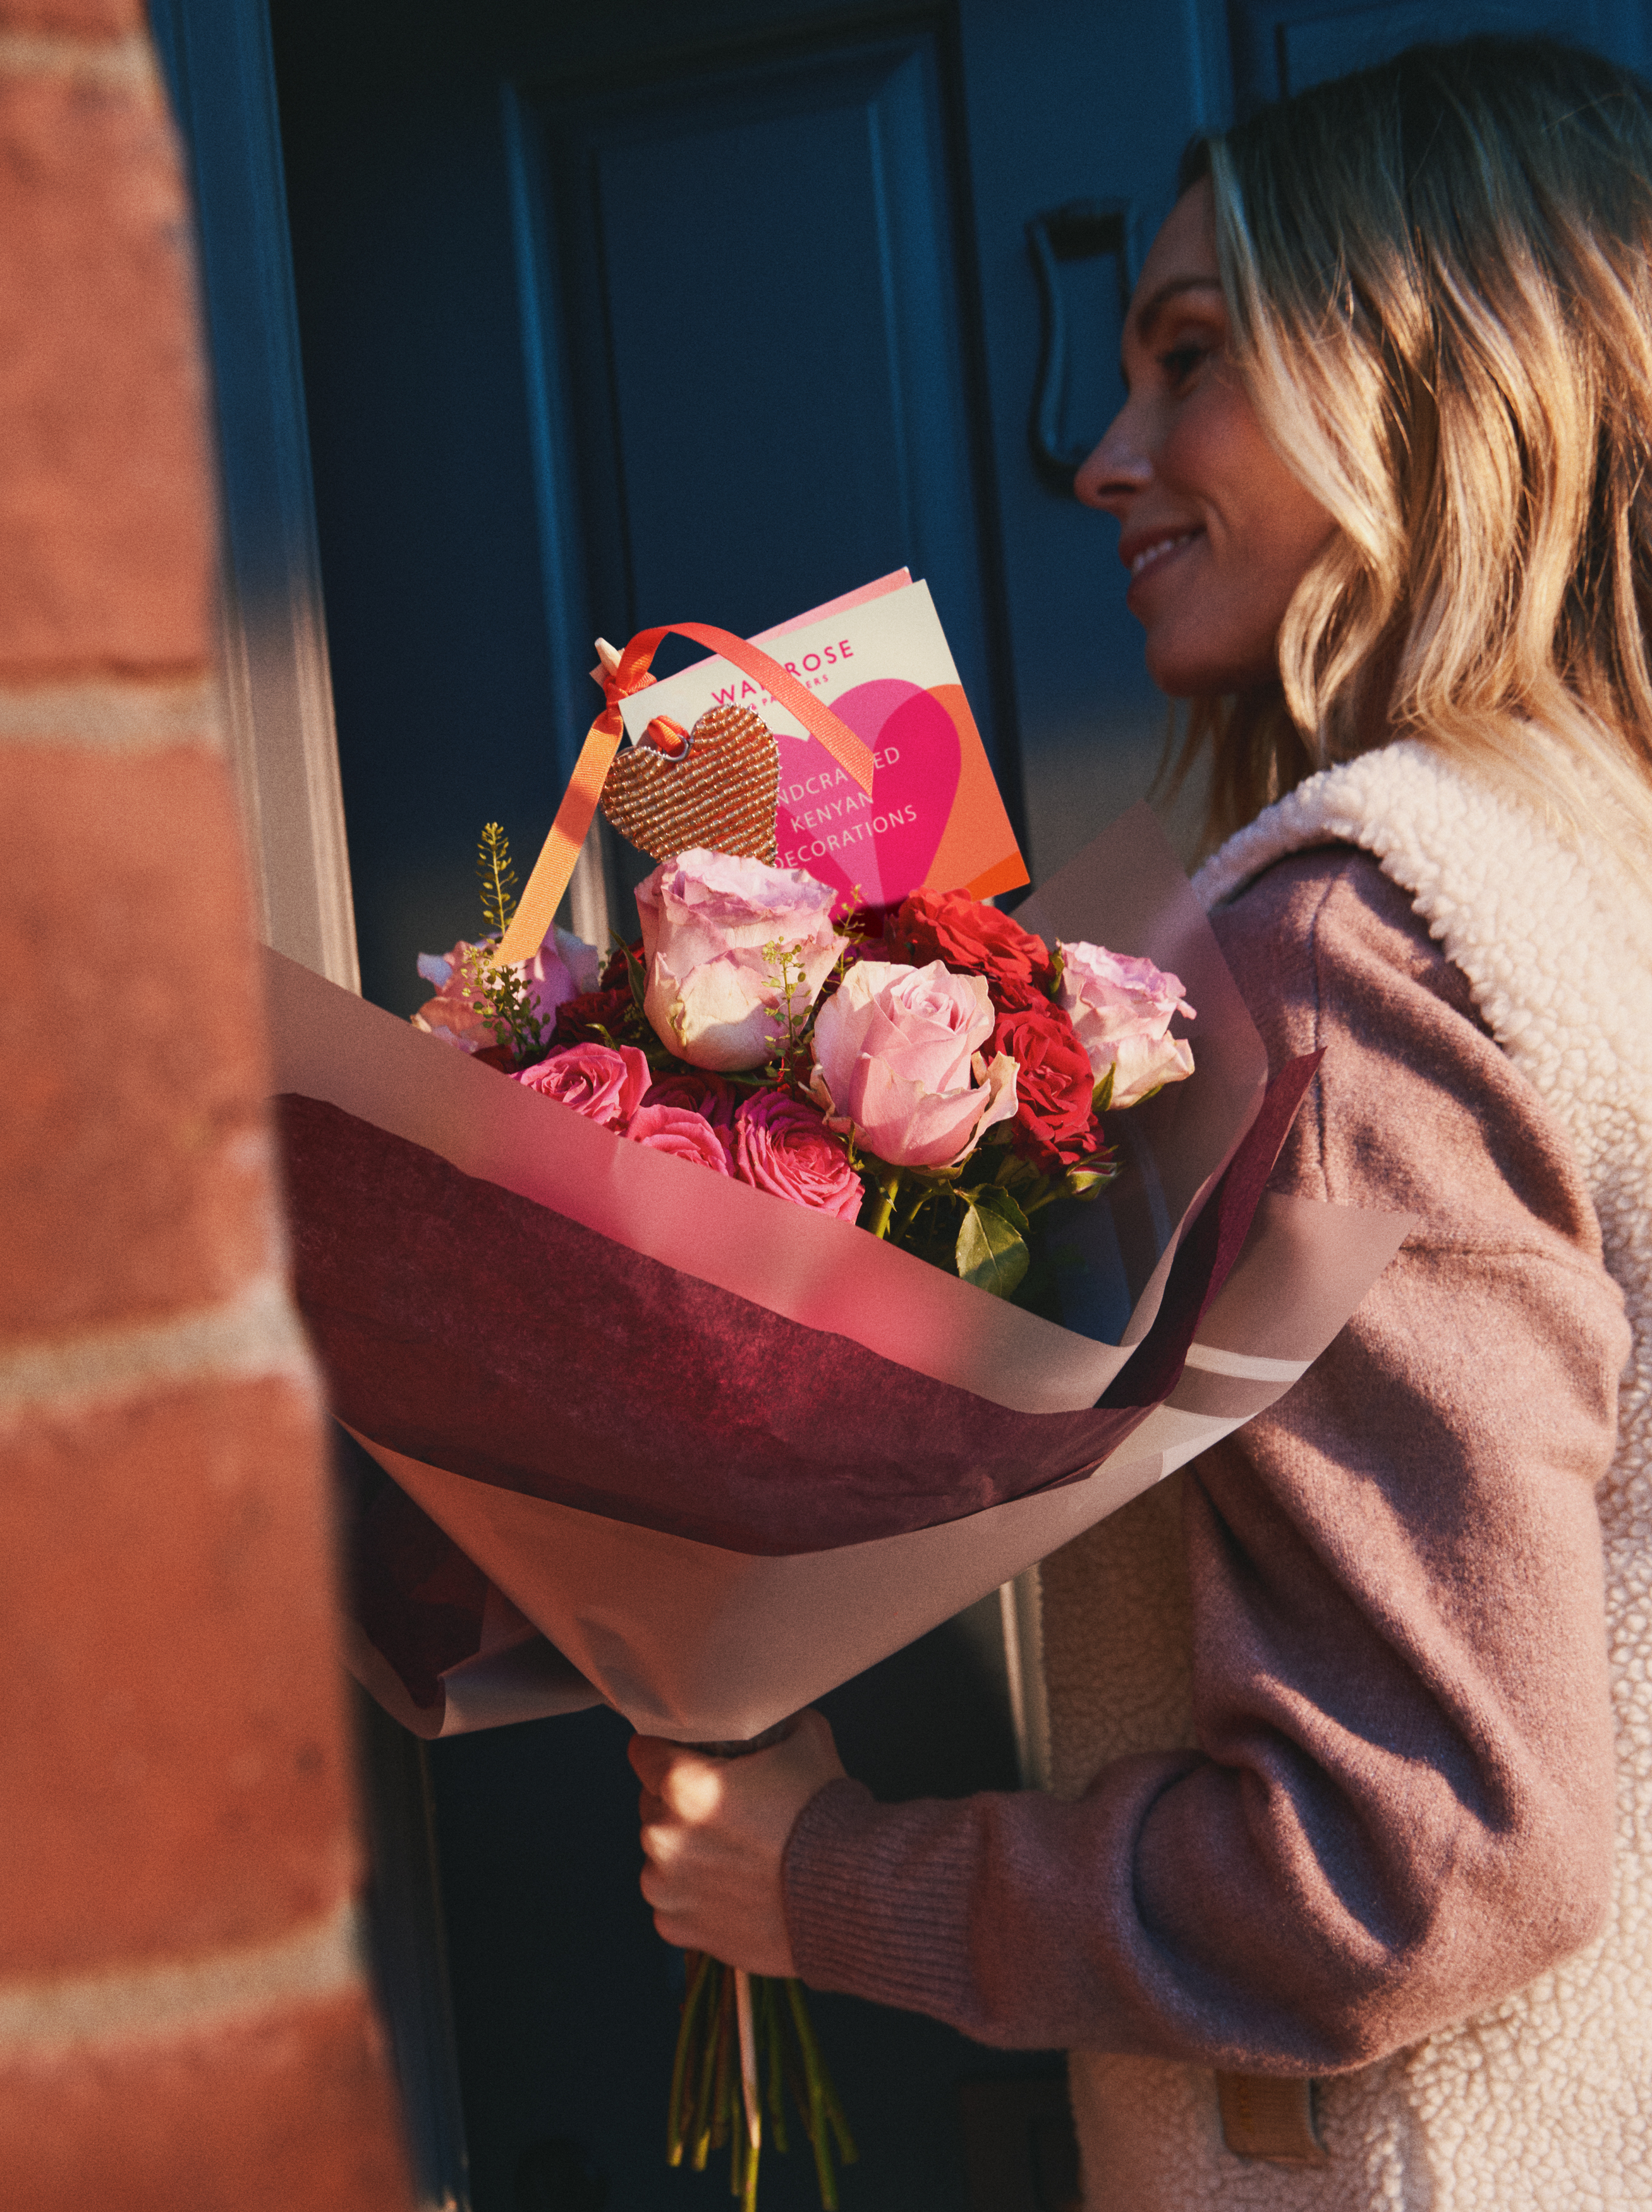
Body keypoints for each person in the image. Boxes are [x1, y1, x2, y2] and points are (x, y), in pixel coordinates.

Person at [629, 36, 1652, 2204]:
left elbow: (1425, 1856)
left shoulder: (1356, 943)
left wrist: (825, 1878)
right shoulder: (1594, 877)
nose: (1103, 461)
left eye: (1190, 357)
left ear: (1433, 380)